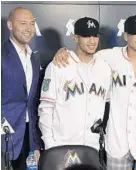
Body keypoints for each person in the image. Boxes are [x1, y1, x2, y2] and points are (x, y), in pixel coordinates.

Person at [53, 15, 136, 170]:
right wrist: (63, 51)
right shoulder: (109, 56)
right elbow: (83, 55)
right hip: (117, 144)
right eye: (135, 33)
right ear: (126, 36)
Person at [38, 17, 111, 151]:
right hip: (62, 145)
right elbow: (46, 107)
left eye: (95, 36)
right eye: (86, 36)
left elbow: (107, 105)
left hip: (92, 146)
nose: (92, 41)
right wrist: (49, 143)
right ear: (75, 38)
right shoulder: (58, 65)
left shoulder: (104, 68)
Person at [1, 7, 41, 170]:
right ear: (10, 25)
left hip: (29, 135)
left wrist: (35, 141)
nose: (29, 28)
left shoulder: (34, 57)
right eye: (23, 23)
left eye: (31, 23)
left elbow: (32, 100)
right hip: (5, 136)